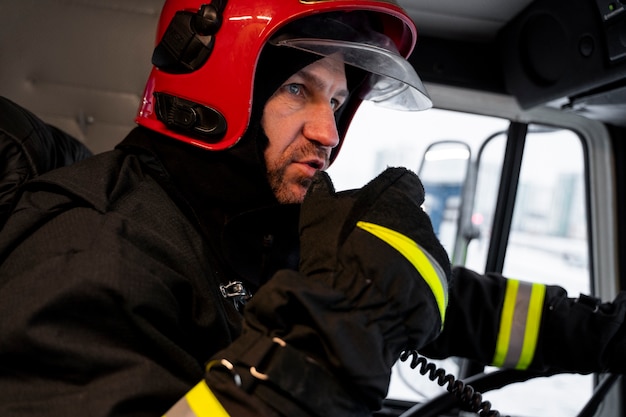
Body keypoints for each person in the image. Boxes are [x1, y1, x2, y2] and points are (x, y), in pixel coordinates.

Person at [1, 1, 626, 416]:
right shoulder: (94, 251)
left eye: (336, 102)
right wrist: (349, 322)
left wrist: (604, 333)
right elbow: (355, 307)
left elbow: (445, 303)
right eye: (299, 89)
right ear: (216, 87)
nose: (327, 131)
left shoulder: (256, 223)